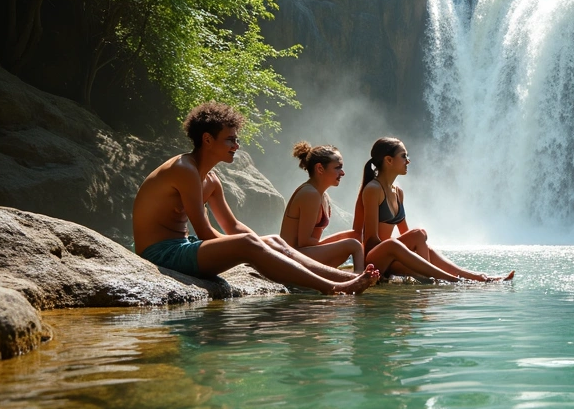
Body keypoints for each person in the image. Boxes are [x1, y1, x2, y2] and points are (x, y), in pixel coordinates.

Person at [132, 102, 377, 295]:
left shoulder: (212, 180)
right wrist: (251, 248)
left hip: (184, 247)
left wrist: (263, 246)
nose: (236, 146)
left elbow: (233, 226)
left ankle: (346, 277)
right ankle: (330, 287)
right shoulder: (184, 169)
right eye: (230, 139)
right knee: (251, 244)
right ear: (207, 139)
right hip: (161, 253)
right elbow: (206, 232)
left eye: (236, 139)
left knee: (271, 240)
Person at [353, 137, 513, 283]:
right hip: (376, 260)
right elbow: (371, 239)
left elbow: (406, 235)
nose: (408, 161)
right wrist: (400, 254)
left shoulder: (398, 192)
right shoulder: (373, 189)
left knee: (421, 240)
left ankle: (475, 276)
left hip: (392, 258)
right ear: (388, 160)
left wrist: (410, 258)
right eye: (403, 156)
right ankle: (447, 278)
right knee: (415, 235)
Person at [279, 141, 365, 272]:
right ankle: (357, 278)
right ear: (320, 168)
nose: (342, 173)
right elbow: (304, 242)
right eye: (338, 167)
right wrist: (337, 246)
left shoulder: (322, 195)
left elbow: (313, 241)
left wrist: (345, 240)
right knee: (353, 245)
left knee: (356, 236)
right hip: (291, 258)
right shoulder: (310, 193)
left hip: (304, 254)